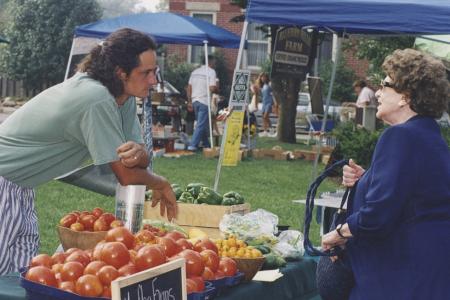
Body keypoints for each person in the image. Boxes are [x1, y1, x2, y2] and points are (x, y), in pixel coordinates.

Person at [0, 28, 178, 275]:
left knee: (19, 277)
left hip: (21, 186)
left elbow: (139, 160)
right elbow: (125, 175)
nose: (153, 80)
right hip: (4, 185)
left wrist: (141, 154)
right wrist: (162, 183)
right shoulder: (96, 98)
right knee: (12, 277)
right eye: (145, 73)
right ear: (120, 72)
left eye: (154, 71)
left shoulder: (122, 98)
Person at [321, 49, 450, 299]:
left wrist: (337, 234)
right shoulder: (430, 135)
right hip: (429, 272)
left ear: (406, 96)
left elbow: (378, 215)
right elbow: (414, 192)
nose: (378, 92)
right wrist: (367, 179)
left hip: (399, 276)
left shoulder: (399, 136)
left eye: (385, 84)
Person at [187, 55, 218, 151]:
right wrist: (216, 89)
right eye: (214, 62)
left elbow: (189, 87)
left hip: (194, 100)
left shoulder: (195, 72)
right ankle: (192, 145)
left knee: (202, 124)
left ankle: (206, 144)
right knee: (201, 124)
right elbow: (212, 88)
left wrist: (189, 101)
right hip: (204, 101)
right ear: (211, 62)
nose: (215, 64)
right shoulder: (211, 72)